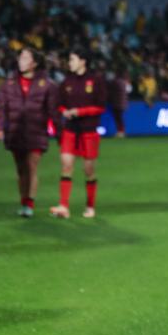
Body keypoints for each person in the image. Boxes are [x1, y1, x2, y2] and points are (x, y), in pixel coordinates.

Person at [0, 47, 55, 217]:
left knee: (31, 167)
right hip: (16, 131)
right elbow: (1, 108)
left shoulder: (47, 85)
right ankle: (23, 201)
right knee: (21, 169)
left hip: (36, 131)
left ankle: (29, 203)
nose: (21, 61)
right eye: (21, 57)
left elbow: (53, 110)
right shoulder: (9, 84)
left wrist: (58, 130)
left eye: (25, 58)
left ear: (34, 63)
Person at [50, 47, 107, 219]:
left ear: (83, 61)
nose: (69, 63)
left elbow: (101, 107)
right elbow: (59, 104)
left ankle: (90, 206)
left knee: (88, 169)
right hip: (70, 130)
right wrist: (65, 111)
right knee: (66, 165)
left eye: (72, 59)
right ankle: (63, 206)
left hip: (89, 131)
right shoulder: (67, 82)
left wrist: (80, 112)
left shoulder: (96, 80)